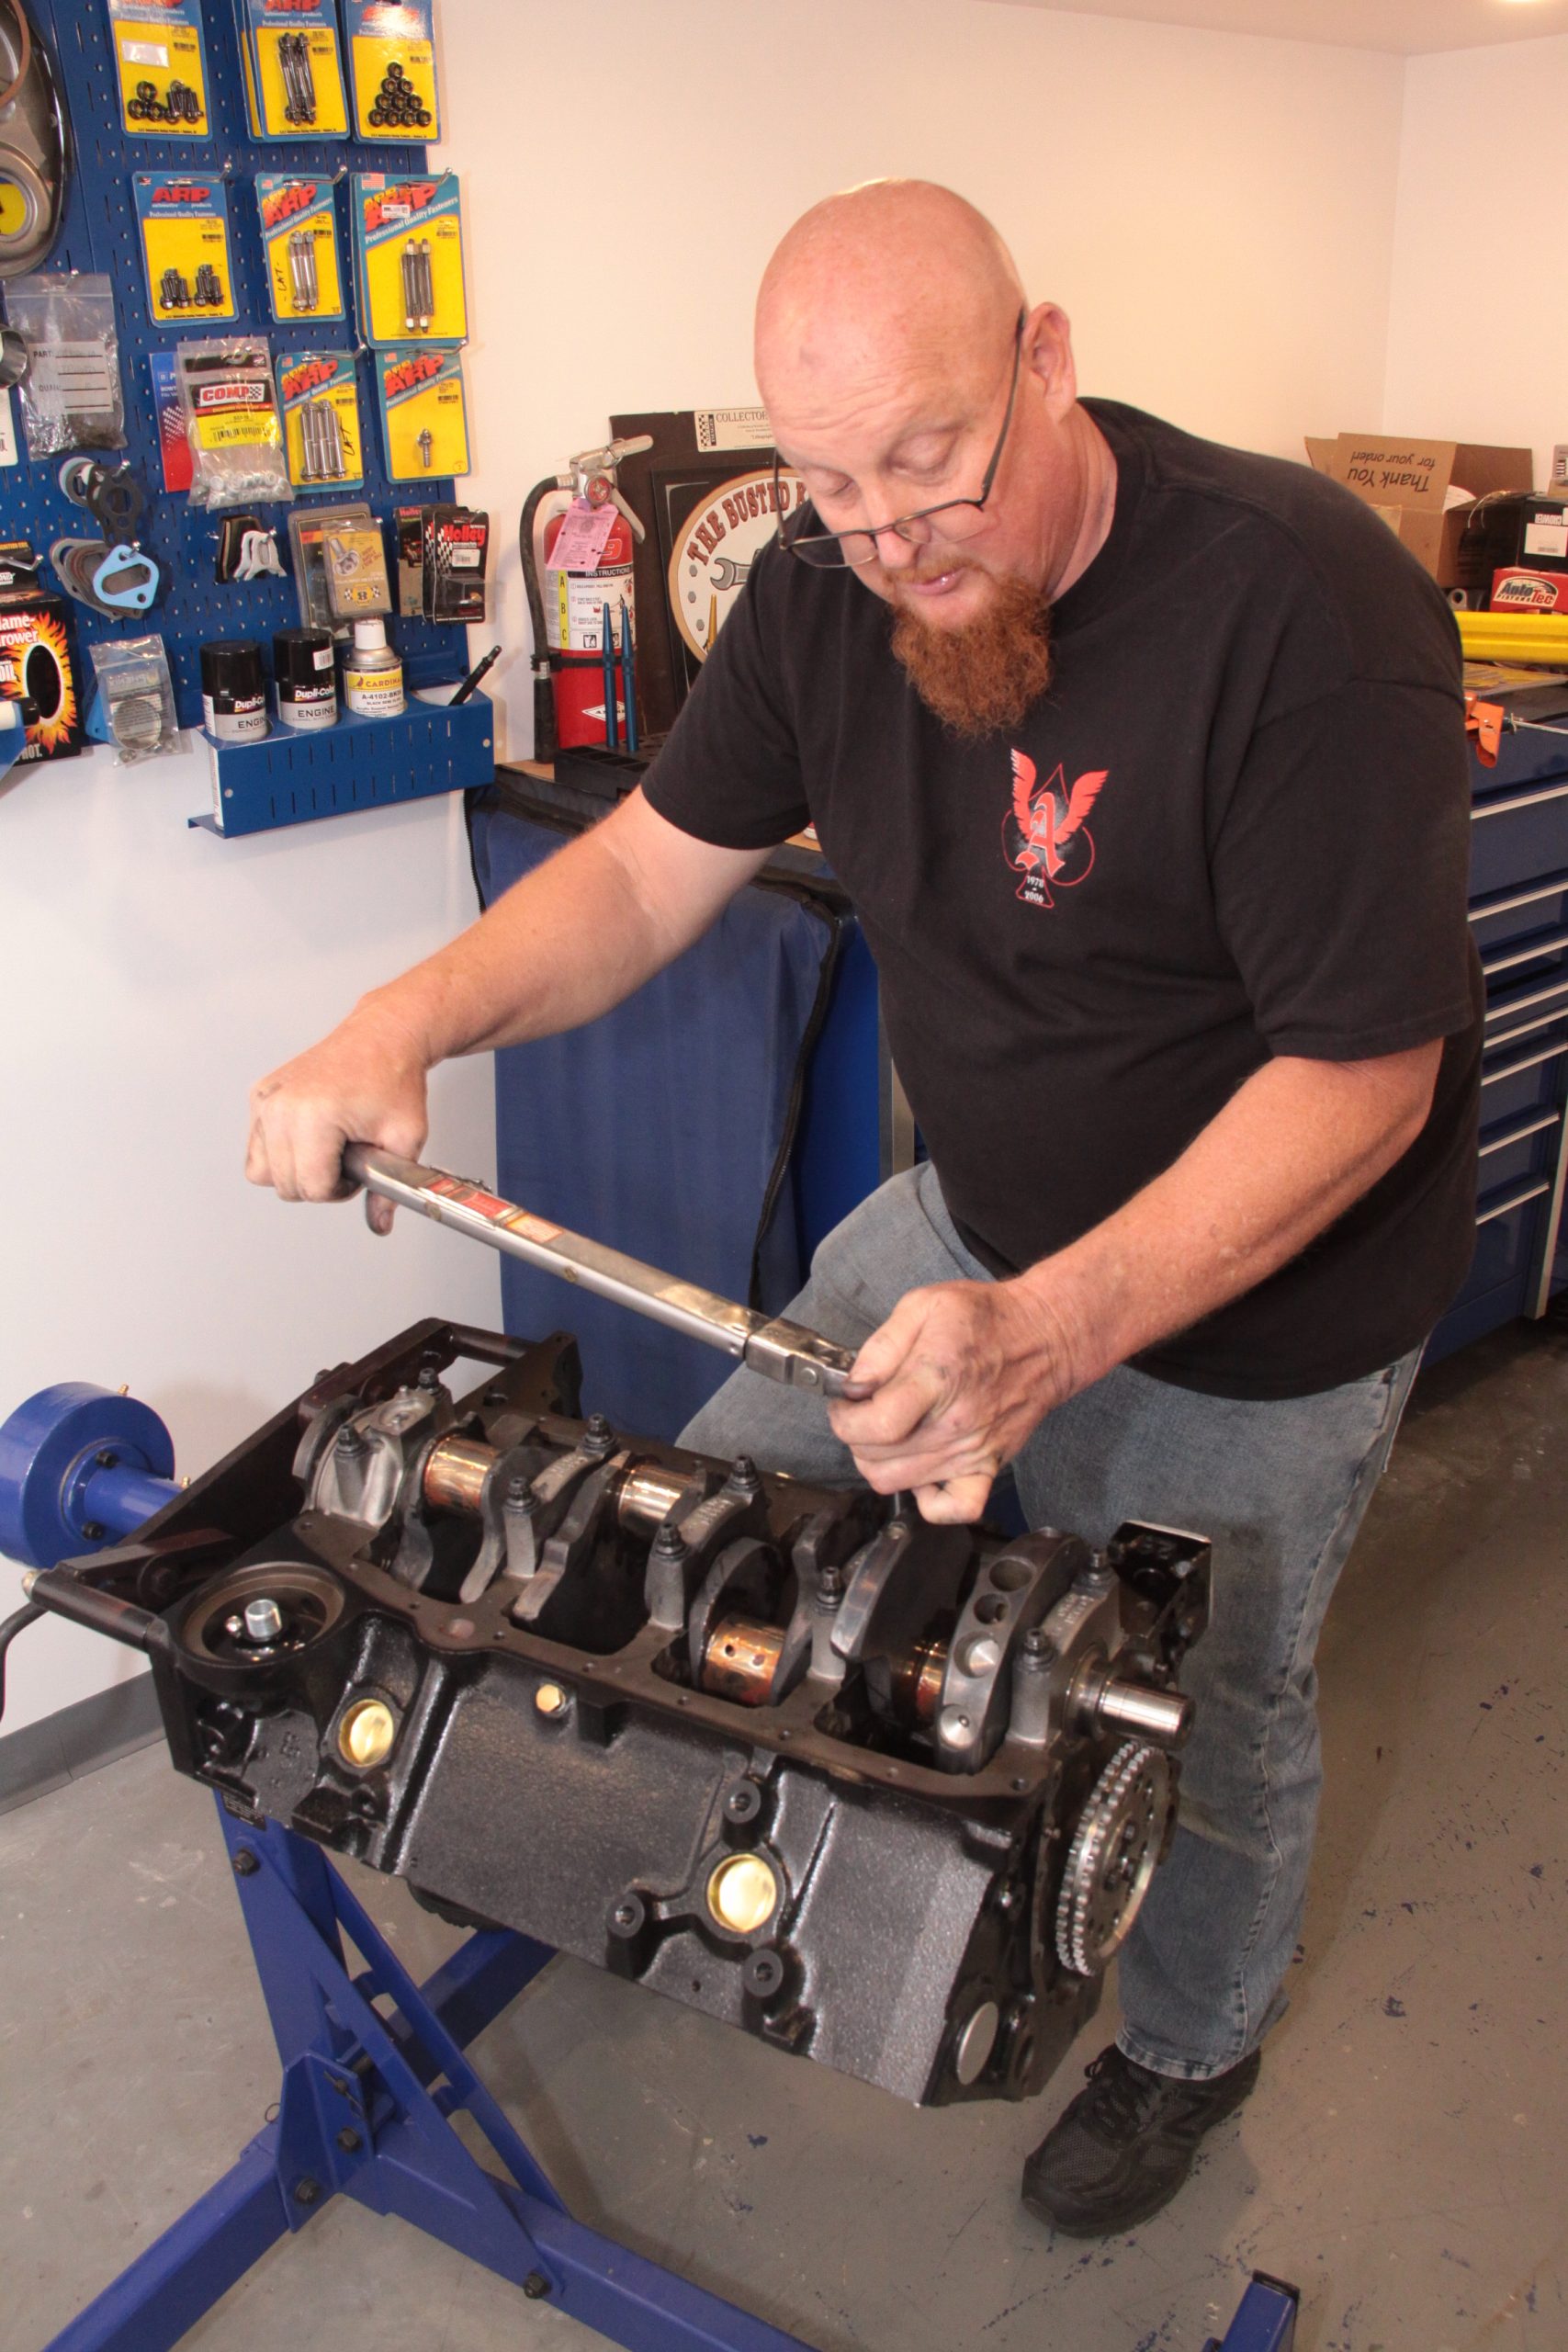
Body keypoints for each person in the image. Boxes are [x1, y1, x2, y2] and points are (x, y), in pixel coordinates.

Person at [247, 181, 1483, 2237]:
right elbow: (645, 871)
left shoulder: (1300, 608)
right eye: (830, 488)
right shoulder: (825, 591)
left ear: (1044, 360)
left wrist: (1054, 1333)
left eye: (929, 464)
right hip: (970, 1229)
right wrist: (401, 1021)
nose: (893, 539)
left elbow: (1366, 1077)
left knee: (1194, 1712)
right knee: (703, 1512)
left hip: (1262, 1313)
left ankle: (1189, 2046)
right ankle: (647, 1845)